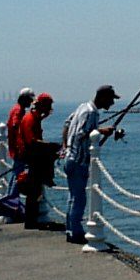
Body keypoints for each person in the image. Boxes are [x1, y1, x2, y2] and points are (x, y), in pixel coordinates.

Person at [60, 85, 124, 244]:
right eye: (111, 99)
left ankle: (71, 230)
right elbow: (82, 134)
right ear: (102, 97)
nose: (112, 103)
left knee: (73, 197)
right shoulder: (91, 112)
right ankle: (76, 233)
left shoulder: (83, 107)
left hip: (69, 158)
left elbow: (67, 124)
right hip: (78, 161)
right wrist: (102, 132)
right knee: (79, 199)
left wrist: (65, 146)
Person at [20, 93, 62, 230]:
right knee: (34, 190)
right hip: (33, 158)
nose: (50, 108)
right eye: (48, 105)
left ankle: (32, 220)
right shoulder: (30, 119)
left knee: (35, 190)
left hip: (33, 156)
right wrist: (51, 146)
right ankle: (31, 222)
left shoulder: (33, 117)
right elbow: (32, 141)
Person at [5, 88, 34, 199]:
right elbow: (15, 124)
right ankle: (12, 198)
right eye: (29, 100)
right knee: (19, 174)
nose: (30, 102)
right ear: (23, 99)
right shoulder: (19, 110)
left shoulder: (15, 109)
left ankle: (10, 197)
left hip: (15, 146)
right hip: (18, 148)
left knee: (16, 173)